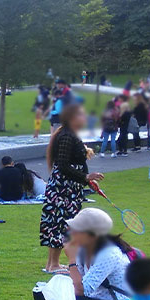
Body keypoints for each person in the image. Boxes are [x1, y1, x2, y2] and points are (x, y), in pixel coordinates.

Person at [34, 208, 134, 300]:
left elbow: (80, 291)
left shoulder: (108, 253)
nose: (70, 232)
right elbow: (77, 284)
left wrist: (72, 260)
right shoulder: (83, 249)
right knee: (41, 292)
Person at [40, 104, 105, 273]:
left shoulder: (68, 134)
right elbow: (62, 165)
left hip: (68, 187)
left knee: (62, 223)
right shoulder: (67, 136)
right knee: (61, 223)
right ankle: (53, 264)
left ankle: (51, 264)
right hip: (63, 189)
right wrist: (85, 177)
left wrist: (86, 180)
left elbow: (73, 165)